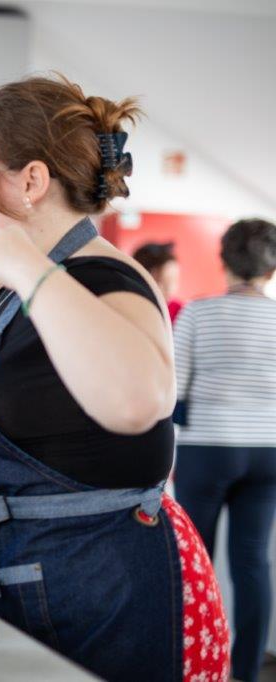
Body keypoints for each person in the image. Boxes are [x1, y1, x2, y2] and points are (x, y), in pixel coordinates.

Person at [0, 74, 229, 680]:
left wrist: (27, 269)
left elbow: (139, 401)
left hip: (103, 596)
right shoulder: (35, 281)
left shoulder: (101, 277)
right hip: (41, 581)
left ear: (31, 182)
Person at [173, 218, 276, 682]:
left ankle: (198, 667)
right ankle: (248, 673)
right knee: (252, 562)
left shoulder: (199, 313)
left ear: (225, 262)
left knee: (198, 565)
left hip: (208, 448)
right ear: (271, 269)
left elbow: (174, 391)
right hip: (269, 450)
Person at [133, 241, 183, 321]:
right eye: (162, 282)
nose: (170, 289)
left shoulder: (180, 312)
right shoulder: (131, 307)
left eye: (173, 280)